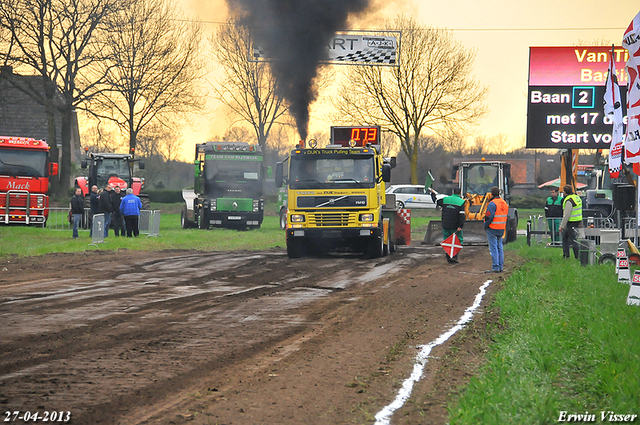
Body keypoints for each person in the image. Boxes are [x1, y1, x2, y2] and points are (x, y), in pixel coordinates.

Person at [437, 187, 466, 263]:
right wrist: (460, 226)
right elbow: (462, 215)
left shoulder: (445, 199)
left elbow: (437, 202)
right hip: (455, 226)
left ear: (453, 192)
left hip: (445, 224)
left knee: (447, 240)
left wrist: (433, 195)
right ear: (460, 193)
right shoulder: (461, 202)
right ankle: (454, 256)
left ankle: (448, 256)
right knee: (457, 240)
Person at [484, 186, 508, 273]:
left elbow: (489, 216)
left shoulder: (492, 204)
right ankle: (501, 266)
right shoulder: (504, 203)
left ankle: (495, 266)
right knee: (500, 247)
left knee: (493, 247)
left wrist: (485, 225)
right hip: (501, 229)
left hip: (492, 228)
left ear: (491, 194)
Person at [559, 185, 583, 260]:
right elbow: (580, 210)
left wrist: (562, 226)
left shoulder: (569, 200)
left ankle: (577, 257)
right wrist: (580, 222)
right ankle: (566, 255)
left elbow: (567, 215)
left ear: (565, 192)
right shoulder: (576, 198)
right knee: (565, 238)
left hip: (571, 222)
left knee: (573, 240)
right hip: (577, 220)